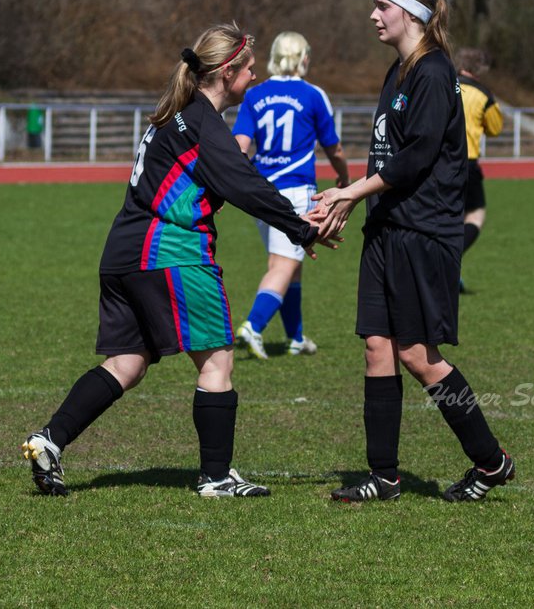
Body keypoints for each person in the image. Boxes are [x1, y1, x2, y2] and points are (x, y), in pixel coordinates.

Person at [20, 24, 335, 498]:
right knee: (217, 359)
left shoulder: (176, 116)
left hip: (124, 250)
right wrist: (301, 227)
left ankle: (50, 440)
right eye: (249, 69)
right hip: (170, 252)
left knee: (127, 362)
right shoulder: (203, 123)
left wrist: (292, 220)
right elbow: (242, 185)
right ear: (227, 72)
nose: (254, 76)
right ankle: (216, 477)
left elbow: (238, 177)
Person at [309, 0, 515, 503]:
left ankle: (490, 461)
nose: (373, 15)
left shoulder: (432, 71)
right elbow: (387, 157)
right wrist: (357, 204)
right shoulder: (397, 71)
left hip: (424, 231)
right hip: (387, 227)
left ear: (412, 12)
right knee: (377, 346)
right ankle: (384, 475)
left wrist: (350, 192)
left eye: (383, 5)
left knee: (419, 356)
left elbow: (418, 156)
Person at [231, 31, 349, 359]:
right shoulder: (312, 94)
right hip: (295, 191)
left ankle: (296, 338)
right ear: (303, 57)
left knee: (289, 264)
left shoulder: (254, 95)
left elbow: (240, 146)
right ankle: (253, 326)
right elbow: (334, 147)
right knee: (284, 263)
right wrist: (344, 177)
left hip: (260, 191)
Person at [453, 48, 503, 291]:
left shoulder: (442, 83)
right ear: (480, 70)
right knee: (475, 214)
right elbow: (495, 128)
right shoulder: (483, 94)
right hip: (468, 163)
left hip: (438, 163)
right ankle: (450, 263)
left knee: (446, 217)